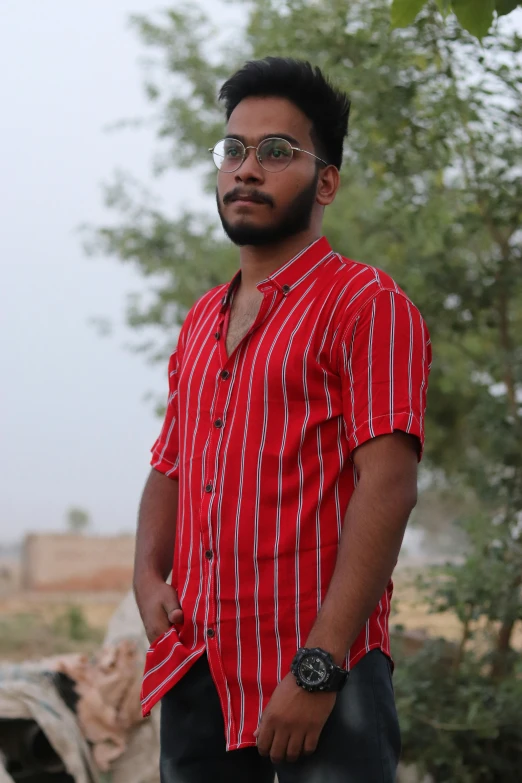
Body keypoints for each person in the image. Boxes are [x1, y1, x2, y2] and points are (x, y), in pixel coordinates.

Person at [133, 57, 431, 783]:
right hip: (198, 662)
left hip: (321, 675)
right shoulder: (203, 317)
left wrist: (320, 666)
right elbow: (171, 462)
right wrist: (145, 577)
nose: (247, 169)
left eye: (276, 152)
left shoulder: (367, 305)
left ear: (326, 180)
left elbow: (387, 488)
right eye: (233, 149)